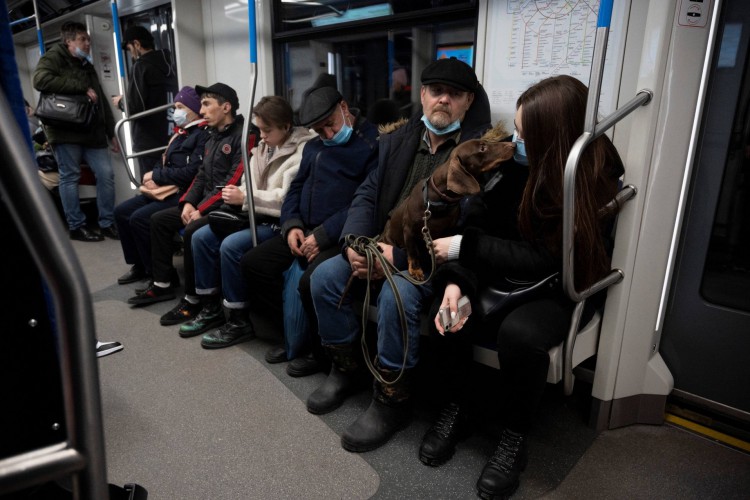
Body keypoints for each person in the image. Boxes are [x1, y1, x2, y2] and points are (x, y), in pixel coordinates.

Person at [419, 75, 624, 499]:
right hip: (501, 269)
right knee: (444, 306)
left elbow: (548, 258)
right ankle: (457, 407)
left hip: (554, 287)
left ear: (555, 138)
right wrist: (458, 283)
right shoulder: (514, 168)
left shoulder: (587, 180)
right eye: (516, 129)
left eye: (526, 134)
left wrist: (466, 248)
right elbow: (478, 223)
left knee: (520, 334)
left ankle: (514, 437)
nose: (516, 141)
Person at [307, 57, 491, 452]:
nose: (443, 100)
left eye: (454, 94)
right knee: (323, 278)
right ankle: (345, 369)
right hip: (378, 243)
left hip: (433, 261)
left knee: (397, 296)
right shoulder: (397, 140)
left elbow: (470, 230)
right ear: (422, 95)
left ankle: (392, 399)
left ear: (468, 101)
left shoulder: (478, 154)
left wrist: (398, 255)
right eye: (435, 91)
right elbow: (367, 194)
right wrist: (358, 244)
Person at [238, 86, 378, 357]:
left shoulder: (371, 145)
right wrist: (292, 225)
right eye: (318, 129)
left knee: (309, 282)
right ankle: (289, 335)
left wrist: (324, 235)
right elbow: (295, 188)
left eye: (330, 125)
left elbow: (365, 202)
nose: (327, 135)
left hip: (339, 233)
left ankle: (318, 351)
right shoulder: (315, 146)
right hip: (304, 227)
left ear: (344, 109)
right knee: (253, 263)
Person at [175, 96, 316, 340]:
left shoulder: (302, 151)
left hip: (277, 221)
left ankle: (239, 319)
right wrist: (237, 195)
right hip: (251, 215)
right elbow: (246, 182)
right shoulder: (262, 147)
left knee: (231, 246)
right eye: (259, 129)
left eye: (267, 130)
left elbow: (286, 198)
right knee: (201, 237)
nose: (261, 136)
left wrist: (246, 199)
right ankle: (211, 308)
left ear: (286, 126)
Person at [126, 82, 251, 311]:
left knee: (193, 231)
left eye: (206, 104)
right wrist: (188, 202)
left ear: (226, 107)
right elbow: (201, 175)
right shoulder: (213, 135)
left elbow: (232, 182)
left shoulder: (244, 136)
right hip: (204, 202)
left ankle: (194, 299)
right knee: (158, 220)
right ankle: (162, 283)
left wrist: (200, 209)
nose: (201, 111)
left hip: (227, 205)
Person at [32, 21, 120, 242]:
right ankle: (76, 226)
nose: (88, 43)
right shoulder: (54, 57)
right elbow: (40, 80)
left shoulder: (86, 64)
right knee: (69, 177)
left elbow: (99, 100)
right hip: (64, 130)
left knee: (106, 175)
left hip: (91, 130)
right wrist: (80, 87)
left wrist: (111, 131)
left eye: (88, 39)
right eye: (83, 39)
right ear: (69, 41)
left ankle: (107, 222)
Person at [114, 86, 210, 287]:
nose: (177, 112)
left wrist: (157, 175)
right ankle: (139, 264)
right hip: (164, 188)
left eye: (181, 106)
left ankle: (157, 272)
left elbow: (191, 172)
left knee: (140, 218)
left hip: (182, 192)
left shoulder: (202, 136)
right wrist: (153, 177)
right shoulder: (180, 134)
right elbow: (164, 159)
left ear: (194, 109)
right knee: (121, 211)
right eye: (175, 107)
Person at [112, 25, 178, 178]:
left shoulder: (140, 66)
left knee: (151, 182)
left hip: (148, 140)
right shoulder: (169, 63)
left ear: (136, 44)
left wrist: (121, 102)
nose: (131, 54)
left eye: (129, 49)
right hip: (170, 134)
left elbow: (136, 106)